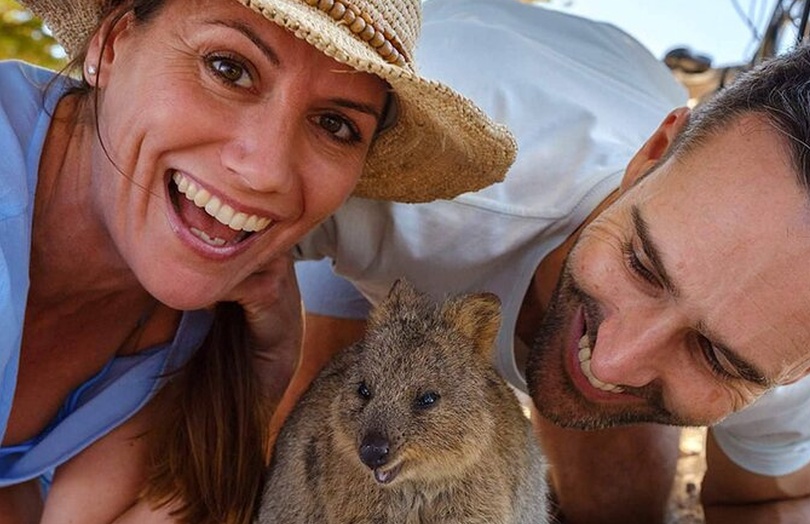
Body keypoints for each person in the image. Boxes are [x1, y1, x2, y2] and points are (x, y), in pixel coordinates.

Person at [290, 0, 810, 523]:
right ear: (653, 155)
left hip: (604, 93)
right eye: (643, 264)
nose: (615, 363)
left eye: (717, 355)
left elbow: (785, 497)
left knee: (619, 493)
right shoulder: (401, 172)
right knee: (300, 417)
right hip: (417, 188)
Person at [0, 0, 516, 522]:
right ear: (112, 45)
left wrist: (264, 374)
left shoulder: (184, 313)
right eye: (228, 68)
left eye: (335, 124)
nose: (265, 169)